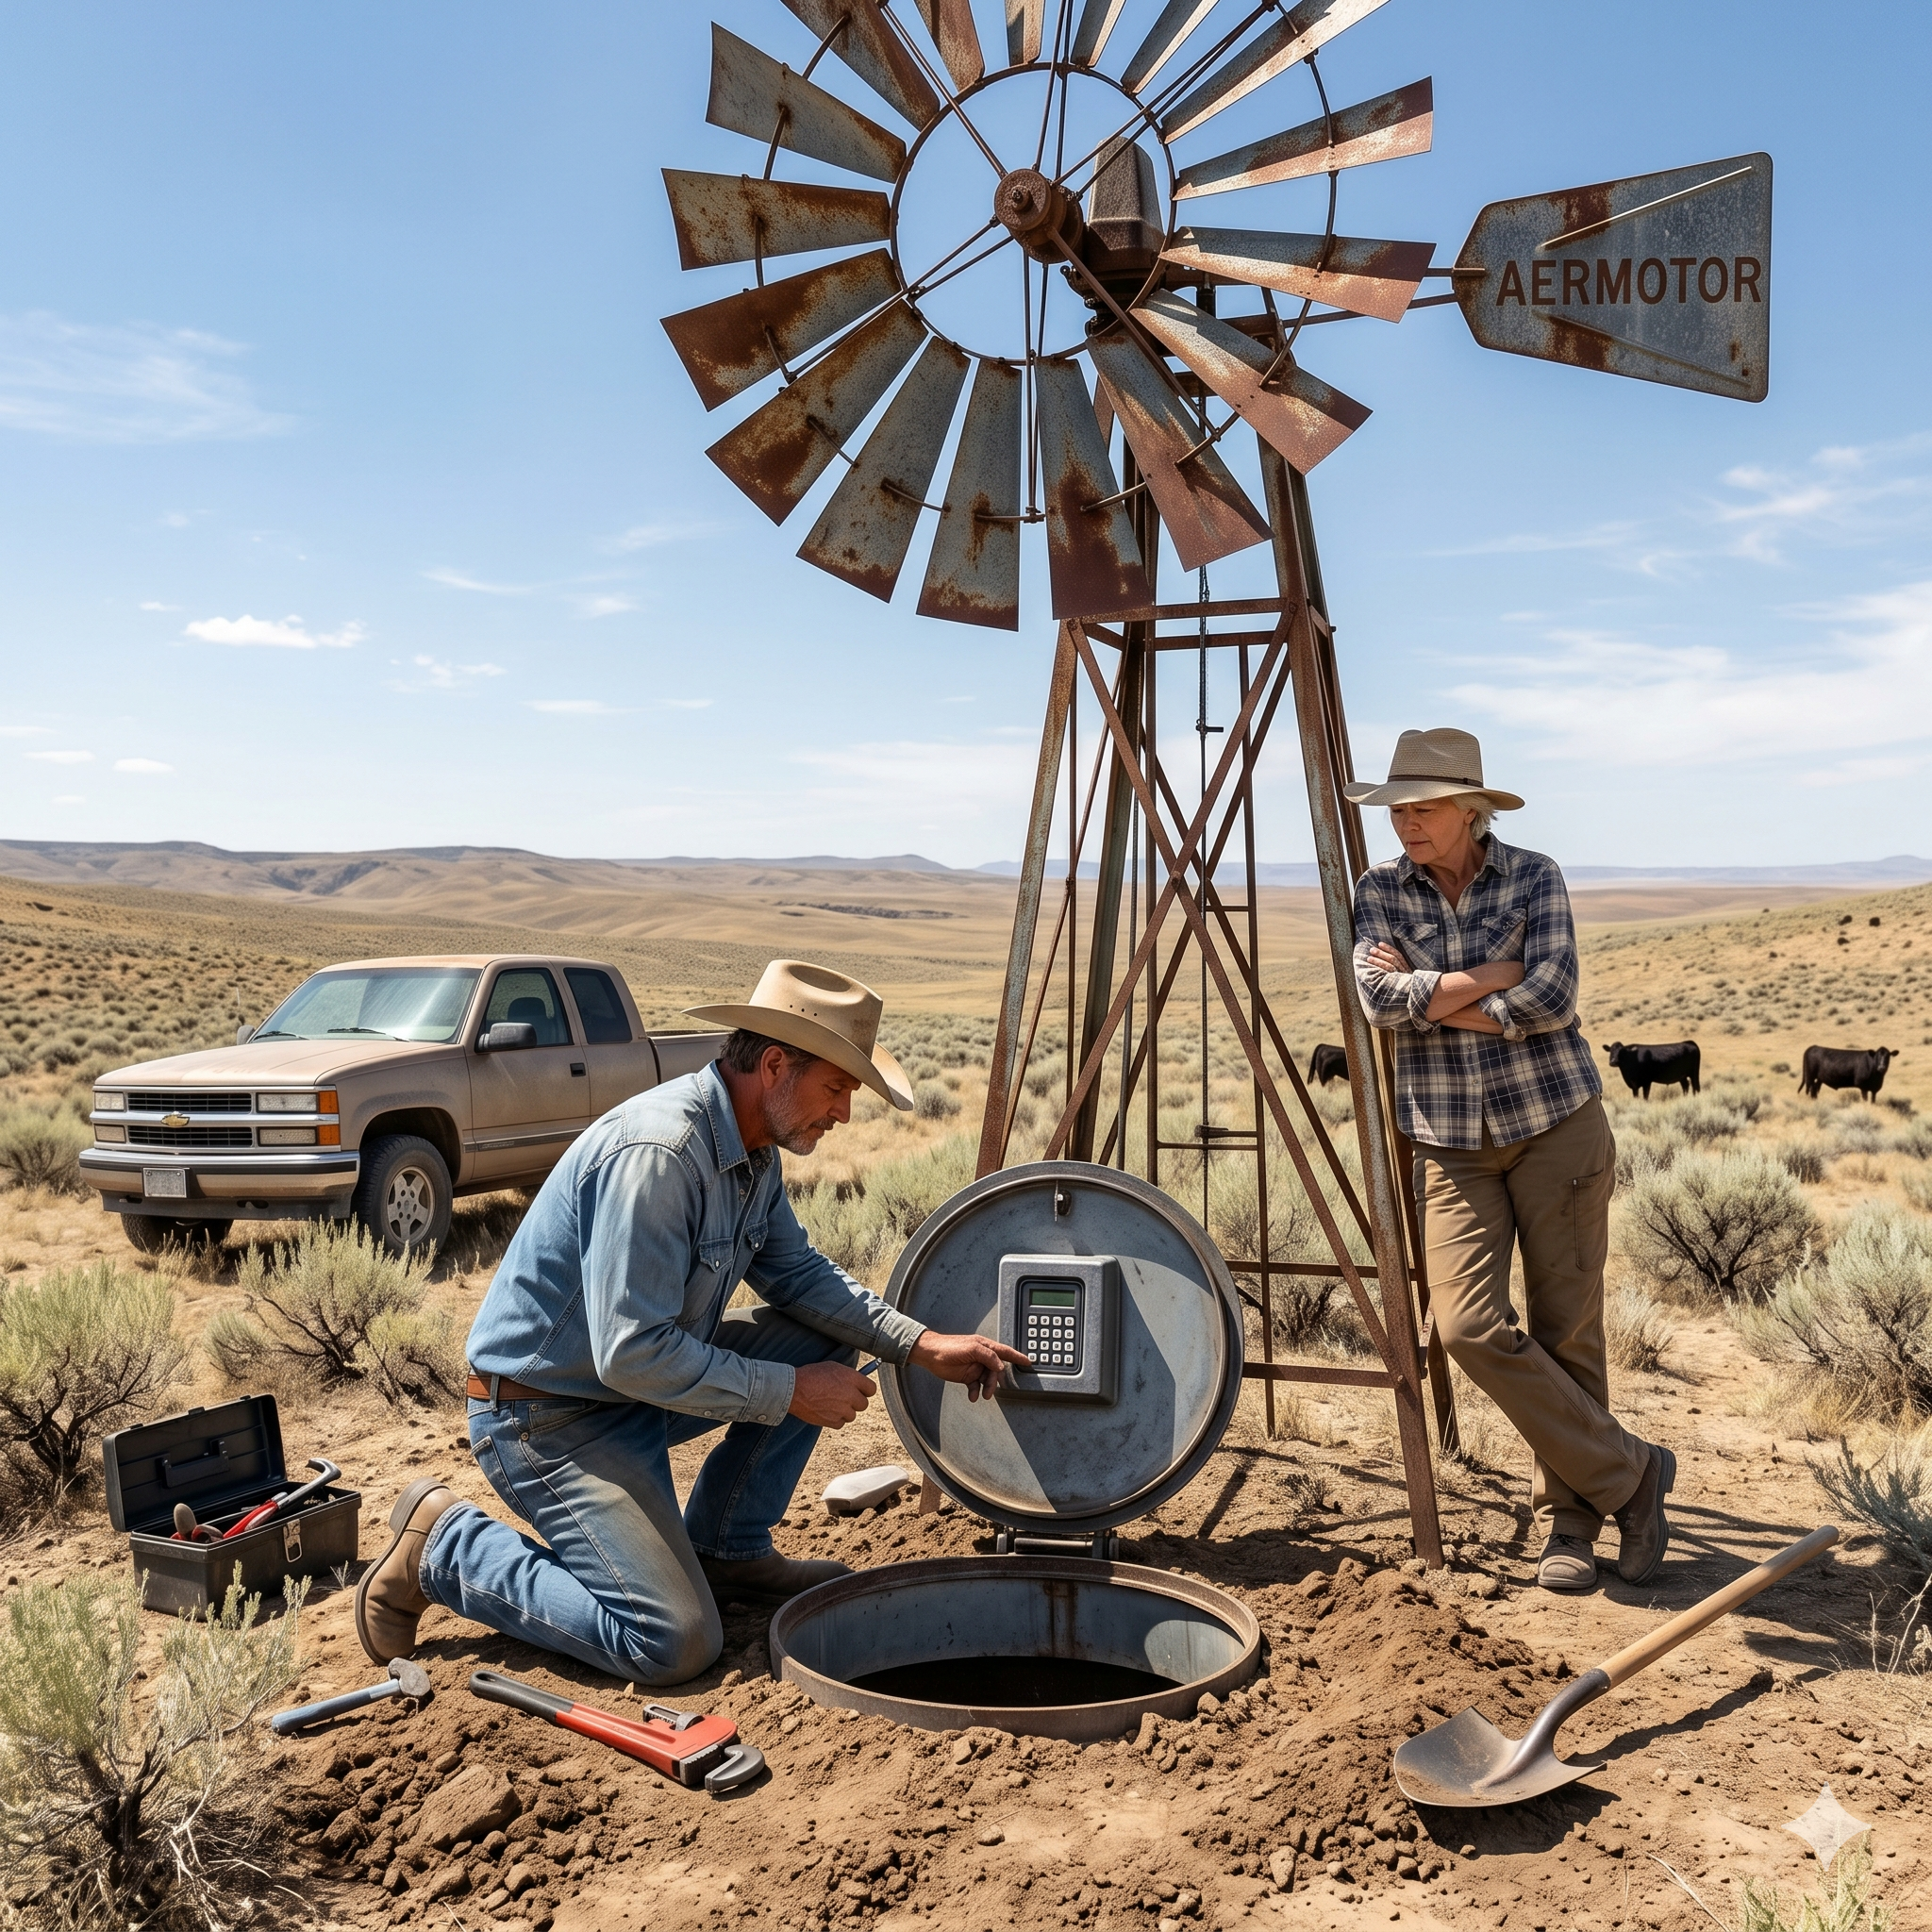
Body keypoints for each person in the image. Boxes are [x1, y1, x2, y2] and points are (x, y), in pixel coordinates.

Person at [354, 959, 1026, 1680]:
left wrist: (919, 1345)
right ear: (775, 1066)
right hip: (548, 1418)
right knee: (672, 1642)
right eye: (836, 1088)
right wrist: (790, 1391)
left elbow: (799, 1277)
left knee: (827, 1332)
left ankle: (726, 1551)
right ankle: (445, 1548)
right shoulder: (661, 1155)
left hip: (631, 1395)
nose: (844, 1114)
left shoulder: (752, 1154)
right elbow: (632, 1353)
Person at [1346, 729, 1674, 1594]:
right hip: (1450, 1140)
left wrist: (1433, 993)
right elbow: (1378, 1001)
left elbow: (1554, 997)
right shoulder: (1378, 890)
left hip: (1555, 1122)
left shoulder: (1535, 876)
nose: (1406, 824)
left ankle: (1572, 1524)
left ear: (1471, 811)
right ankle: (1633, 1472)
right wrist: (1495, 974)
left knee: (1568, 1327)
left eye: (1423, 809)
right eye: (1398, 811)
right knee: (1465, 1327)